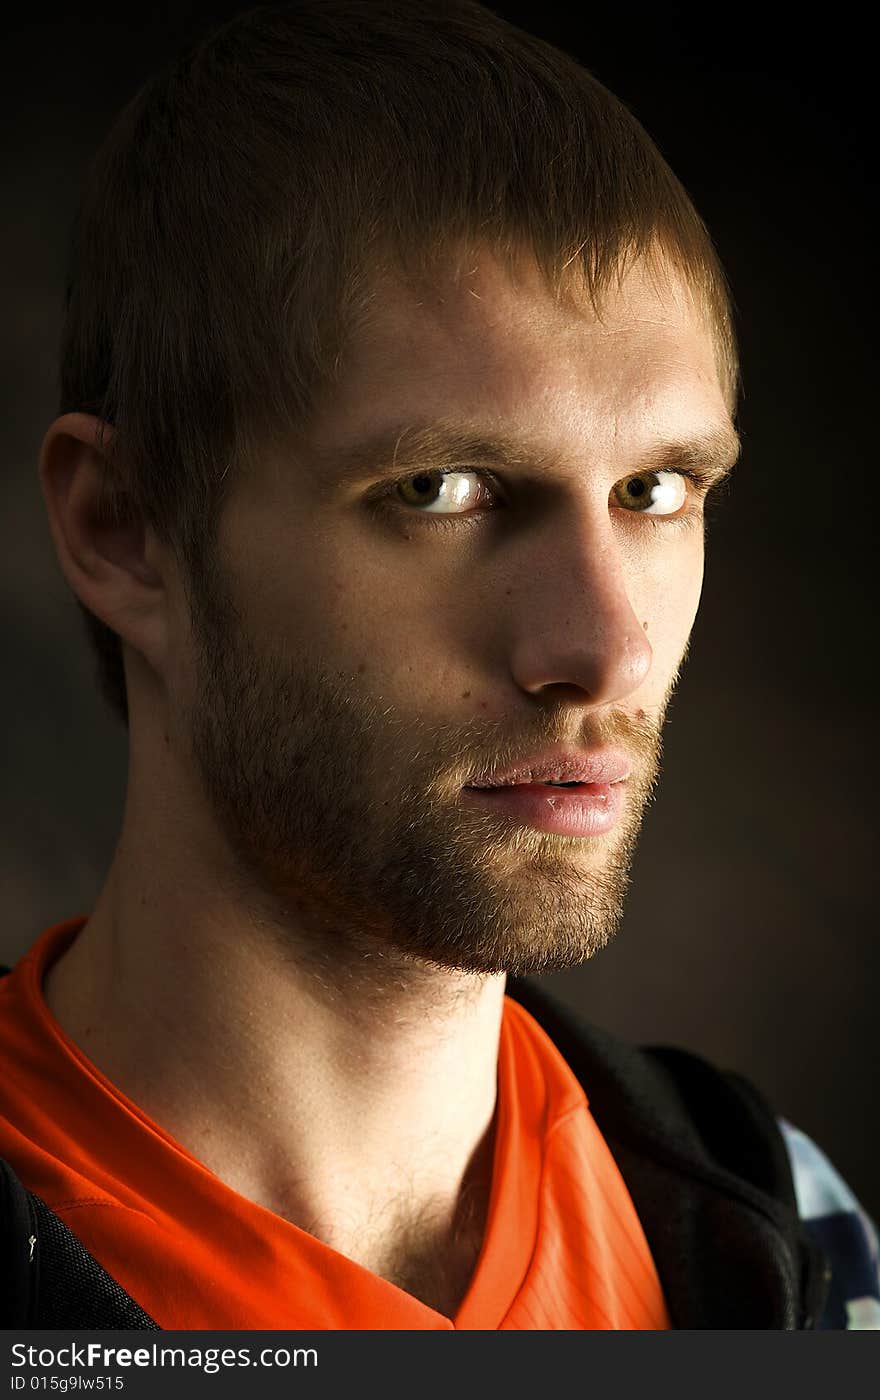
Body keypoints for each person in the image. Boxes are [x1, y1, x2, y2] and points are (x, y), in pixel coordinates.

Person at [0, 0, 876, 1331]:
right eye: (445, 488)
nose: (602, 651)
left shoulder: (786, 1237)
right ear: (124, 531)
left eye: (654, 489)